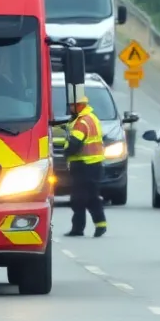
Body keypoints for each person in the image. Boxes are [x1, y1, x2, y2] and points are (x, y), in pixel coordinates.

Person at [63, 93, 107, 237]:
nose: (70, 108)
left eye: (72, 105)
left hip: (84, 165)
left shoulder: (82, 122)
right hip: (93, 164)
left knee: (78, 199)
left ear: (80, 105)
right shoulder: (91, 118)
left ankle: (78, 229)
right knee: (92, 197)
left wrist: (65, 153)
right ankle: (100, 224)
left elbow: (75, 143)